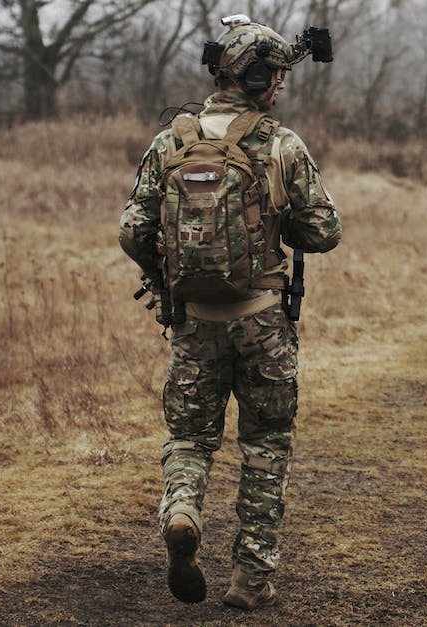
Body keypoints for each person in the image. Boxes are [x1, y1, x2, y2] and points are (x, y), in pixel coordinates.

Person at [118, 15, 341, 610]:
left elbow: (132, 229)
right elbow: (324, 232)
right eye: (279, 76)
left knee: (190, 437)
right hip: (264, 320)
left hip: (193, 322)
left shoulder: (171, 141)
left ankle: (184, 509)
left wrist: (165, 279)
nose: (284, 86)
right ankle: (250, 580)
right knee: (266, 445)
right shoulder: (279, 144)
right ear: (261, 78)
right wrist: (279, 220)